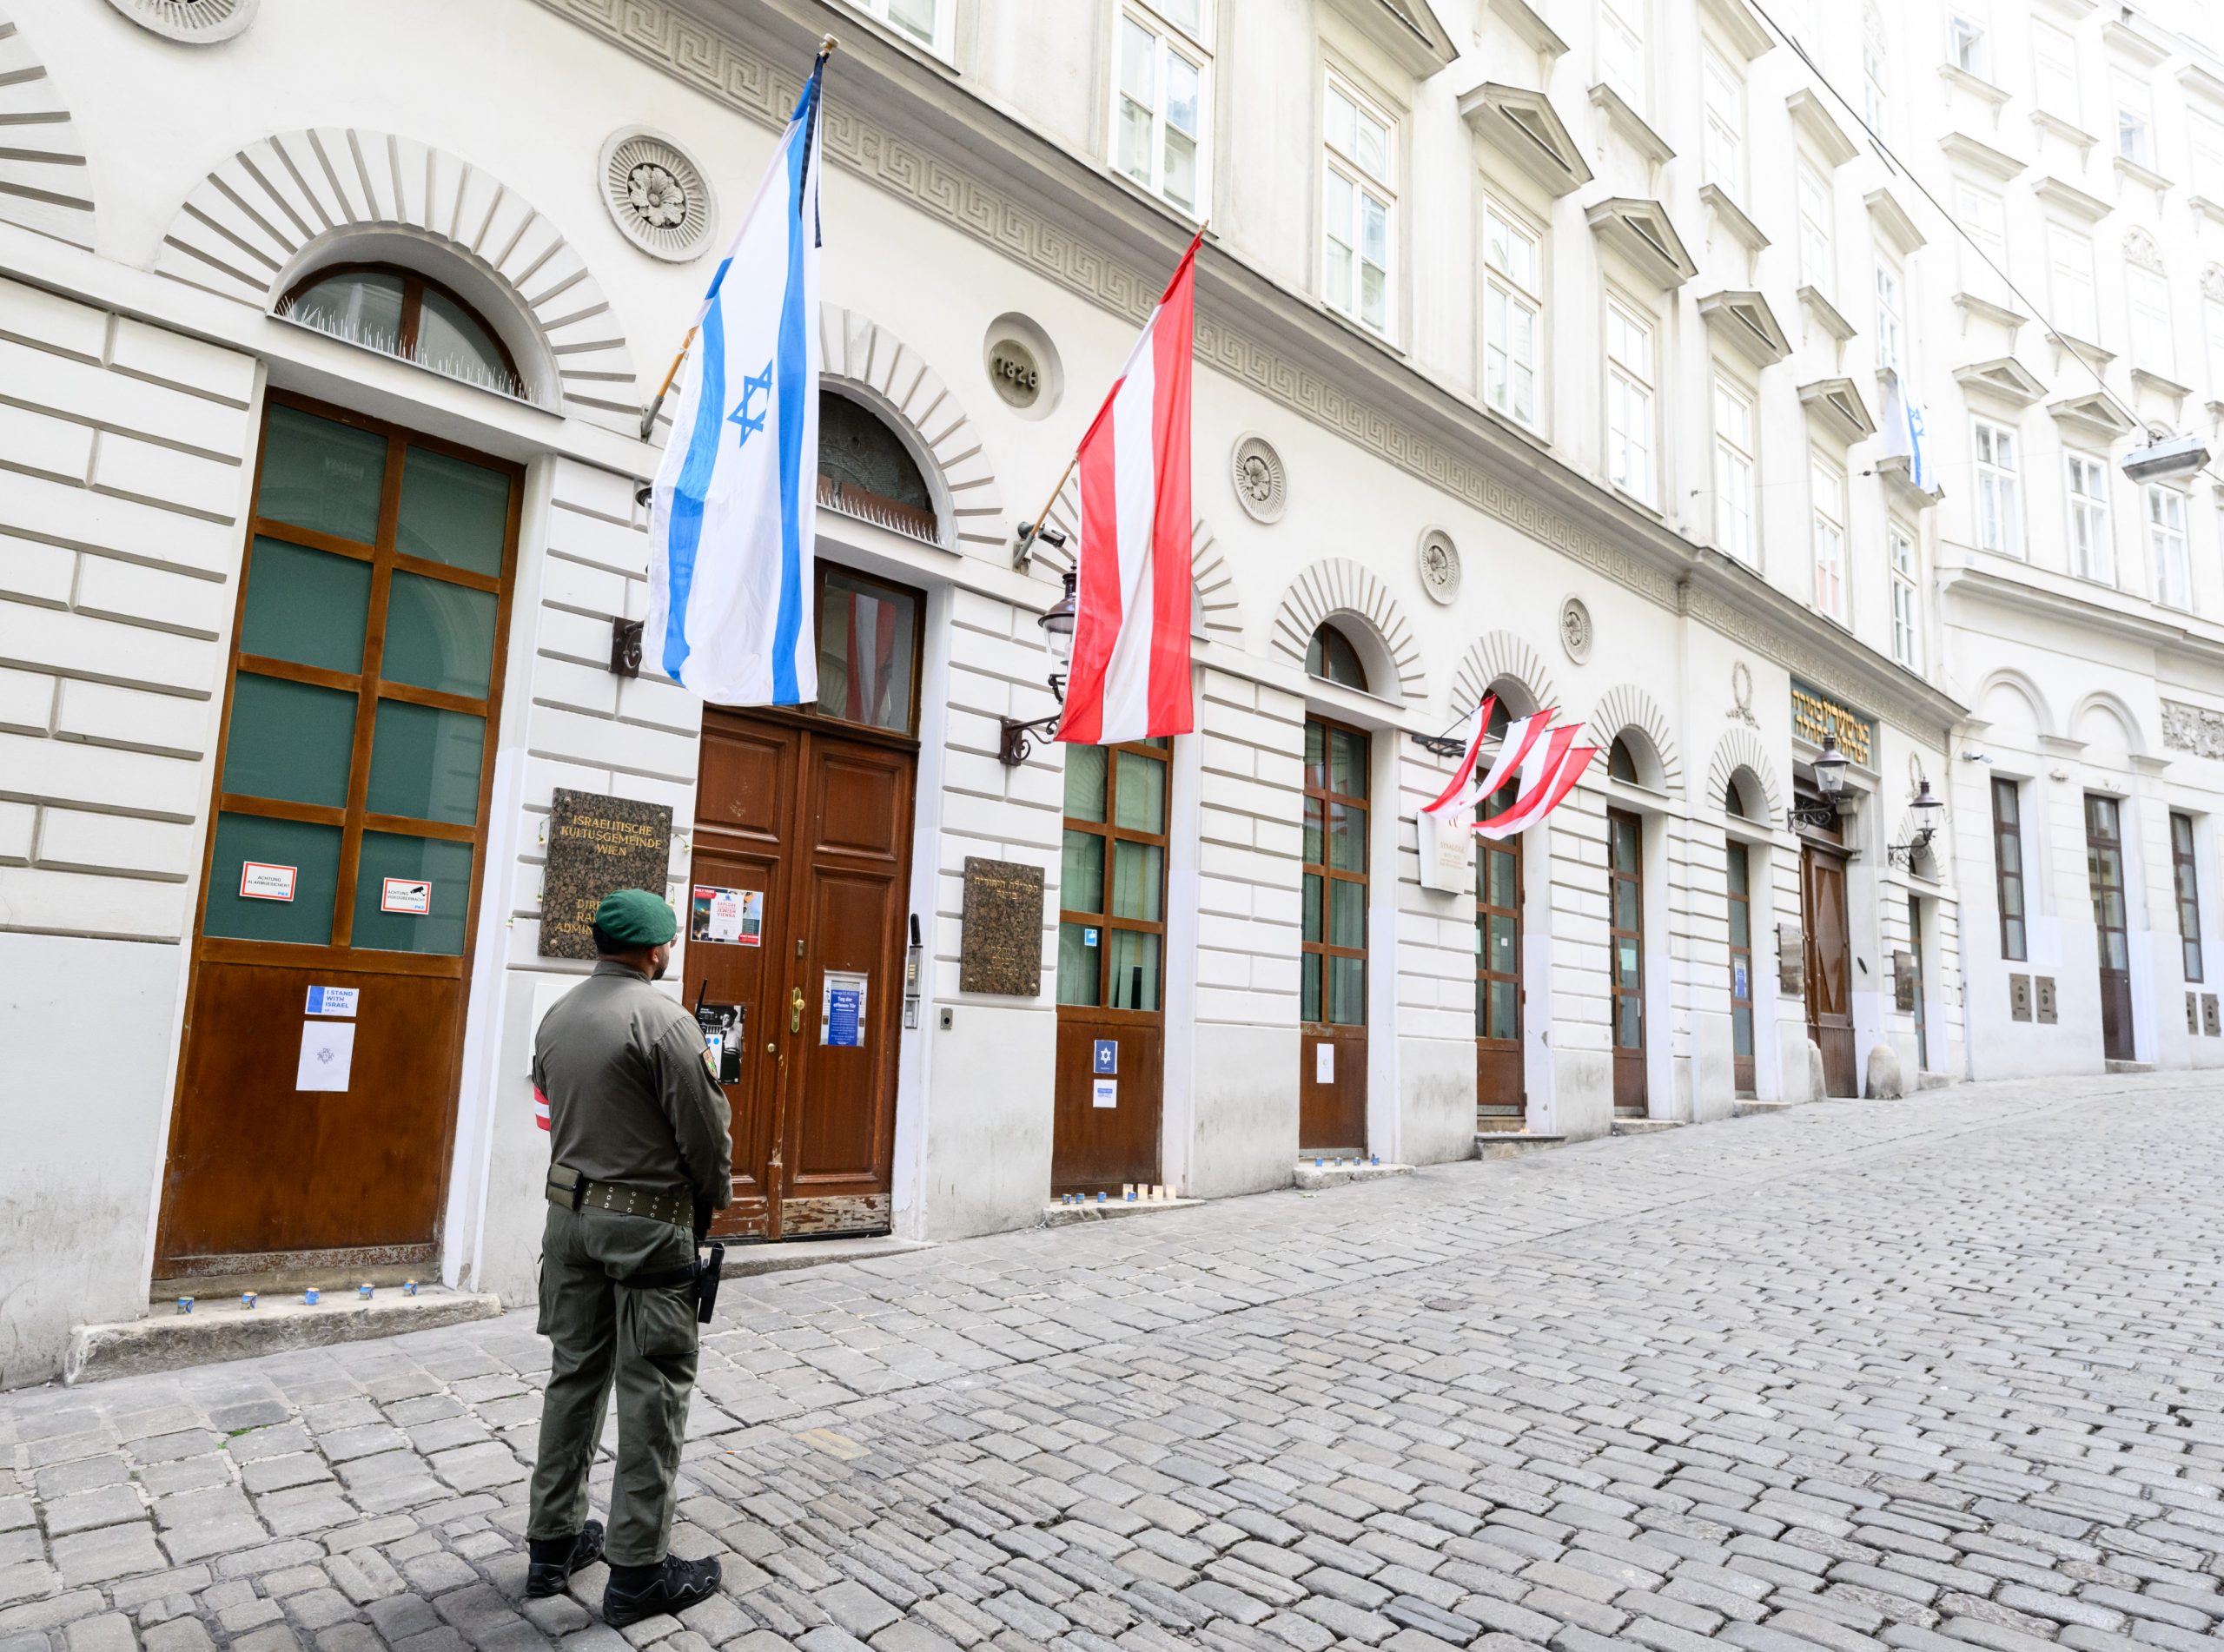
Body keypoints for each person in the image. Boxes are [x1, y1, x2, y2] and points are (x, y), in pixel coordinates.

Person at [523, 887, 732, 1625]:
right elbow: (705, 1136)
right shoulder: (666, 1023)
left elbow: (548, 1102)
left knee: (572, 1378)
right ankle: (638, 1569)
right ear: (655, 950)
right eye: (668, 942)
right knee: (652, 1390)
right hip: (645, 1228)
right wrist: (712, 1199)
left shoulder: (559, 1014)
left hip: (567, 1219)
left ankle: (551, 1544)